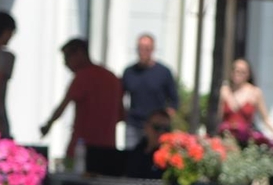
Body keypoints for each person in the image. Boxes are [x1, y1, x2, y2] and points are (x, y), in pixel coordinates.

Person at [41, 38, 123, 170]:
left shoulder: (83, 77)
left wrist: (48, 125)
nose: (65, 63)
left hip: (81, 151)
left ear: (80, 53)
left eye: (67, 57)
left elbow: (62, 107)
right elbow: (121, 116)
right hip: (108, 150)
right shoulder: (112, 78)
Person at [120, 32, 177, 145]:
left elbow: (174, 101)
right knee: (132, 159)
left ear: (153, 49)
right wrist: (123, 114)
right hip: (134, 124)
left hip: (157, 127)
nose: (143, 52)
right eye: (140, 48)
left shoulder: (164, 72)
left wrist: (164, 119)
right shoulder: (129, 72)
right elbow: (119, 96)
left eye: (147, 48)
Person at [217, 57, 272, 144]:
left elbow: (265, 119)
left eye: (242, 72)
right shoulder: (225, 90)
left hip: (245, 141)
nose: (238, 74)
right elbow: (219, 117)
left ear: (248, 74)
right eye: (236, 70)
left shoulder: (255, 92)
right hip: (226, 139)